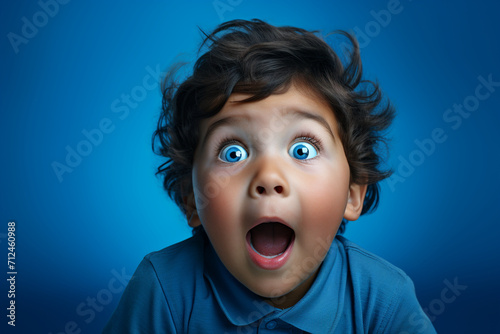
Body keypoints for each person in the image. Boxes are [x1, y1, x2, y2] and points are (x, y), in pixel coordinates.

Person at [103, 19, 436, 333]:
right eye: (233, 152)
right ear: (192, 199)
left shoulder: (383, 300)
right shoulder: (163, 290)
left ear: (352, 193)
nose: (268, 176)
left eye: (302, 149)